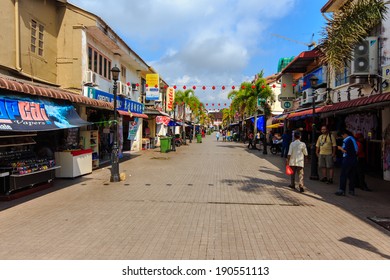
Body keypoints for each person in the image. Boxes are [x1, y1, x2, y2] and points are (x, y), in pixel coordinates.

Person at [335, 129, 358, 196]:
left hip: (347, 159)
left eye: (342, 136)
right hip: (354, 159)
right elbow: (356, 150)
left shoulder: (347, 140)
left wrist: (340, 148)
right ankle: (351, 190)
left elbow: (345, 150)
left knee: (343, 174)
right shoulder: (353, 139)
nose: (342, 137)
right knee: (352, 175)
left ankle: (342, 190)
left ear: (344, 134)